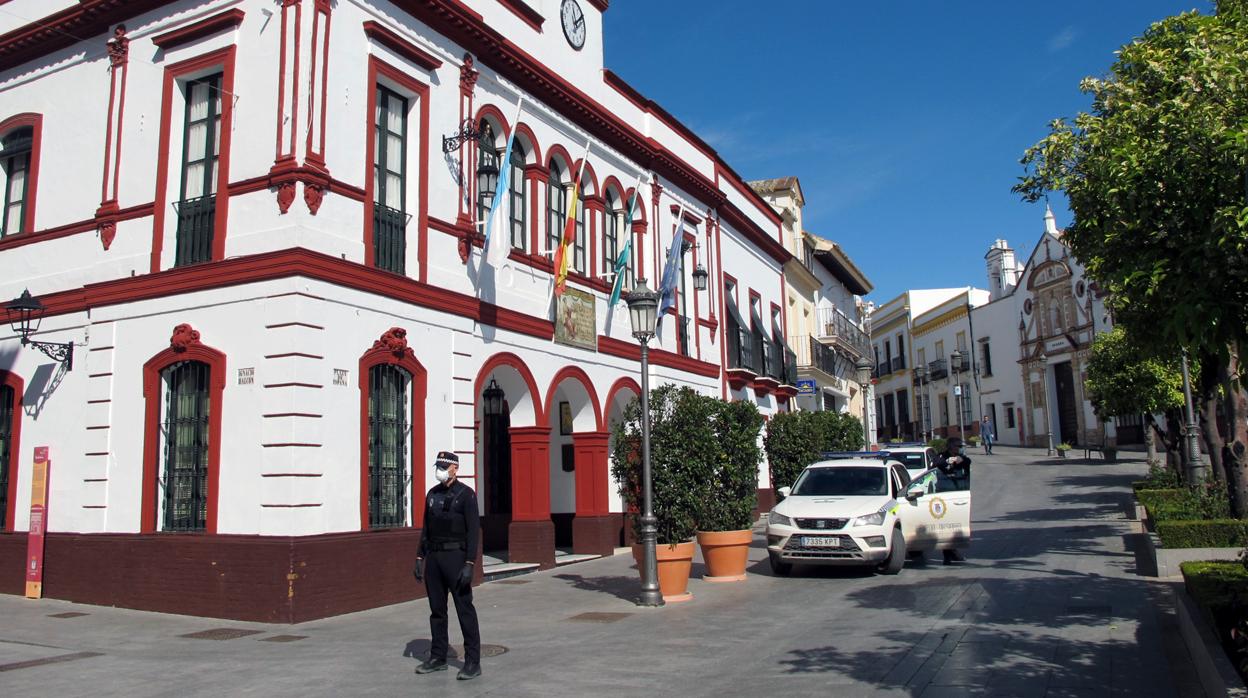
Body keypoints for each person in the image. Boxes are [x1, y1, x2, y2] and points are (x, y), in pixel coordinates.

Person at [413, 452, 482, 681]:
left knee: (465, 610)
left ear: (455, 468)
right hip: (434, 558)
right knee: (437, 611)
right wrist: (420, 557)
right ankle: (438, 657)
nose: (440, 470)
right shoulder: (432, 495)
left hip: (457, 558)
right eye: (438, 466)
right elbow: (426, 528)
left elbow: (473, 532)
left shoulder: (466, 495)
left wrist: (470, 563)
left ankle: (472, 662)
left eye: (444, 466)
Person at [933, 437, 971, 564]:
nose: (959, 448)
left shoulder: (962, 457)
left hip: (958, 495)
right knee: (946, 526)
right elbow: (936, 463)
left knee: (956, 526)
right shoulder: (942, 456)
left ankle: (952, 553)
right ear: (950, 446)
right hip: (944, 495)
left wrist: (960, 461)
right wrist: (947, 463)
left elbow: (968, 463)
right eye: (957, 446)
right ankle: (949, 555)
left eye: (960, 446)